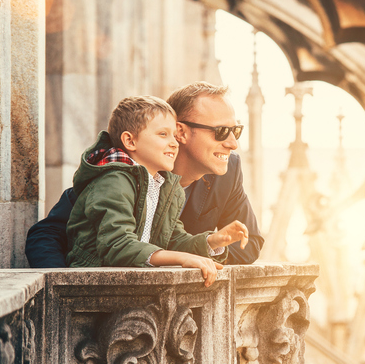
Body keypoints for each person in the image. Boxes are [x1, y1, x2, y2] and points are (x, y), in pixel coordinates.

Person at [25, 82, 264, 267]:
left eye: (236, 131)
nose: (233, 143)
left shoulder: (227, 171)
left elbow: (250, 244)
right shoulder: (118, 174)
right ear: (180, 132)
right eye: (222, 132)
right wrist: (63, 293)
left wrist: (211, 246)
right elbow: (46, 234)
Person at [64, 95, 249, 286]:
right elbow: (117, 245)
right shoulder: (113, 180)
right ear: (130, 141)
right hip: (94, 284)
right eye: (163, 134)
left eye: (173, 136)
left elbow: (173, 238)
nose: (174, 143)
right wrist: (182, 259)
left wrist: (212, 241)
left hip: (132, 282)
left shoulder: (164, 185)